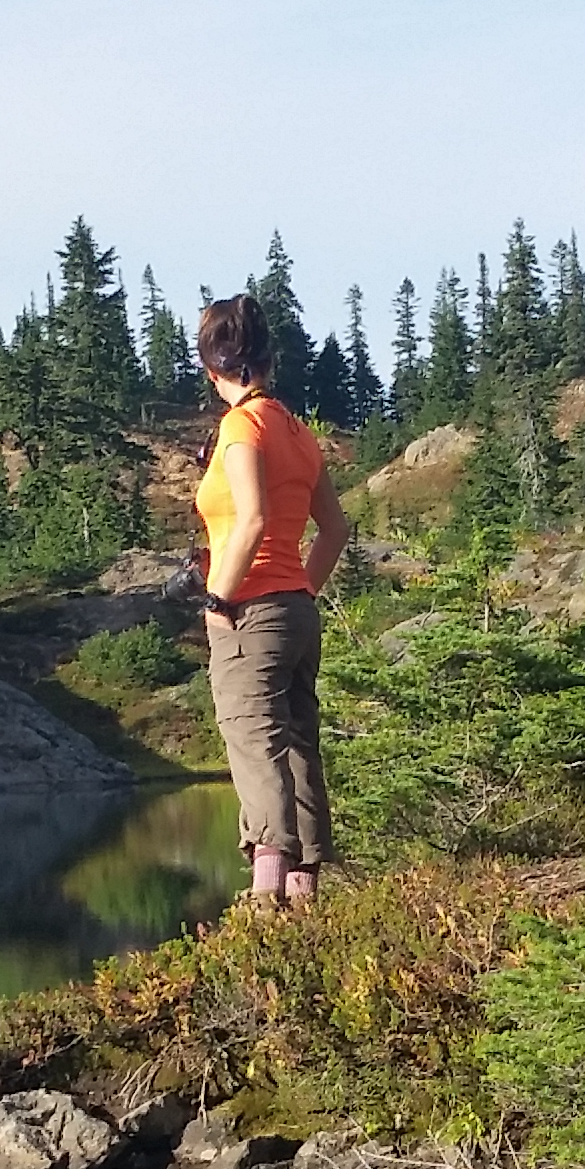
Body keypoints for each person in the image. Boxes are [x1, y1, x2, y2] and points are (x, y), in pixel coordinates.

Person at [190, 294, 346, 909]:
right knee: (300, 741)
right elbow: (336, 530)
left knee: (253, 741)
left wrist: (216, 599)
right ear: (268, 361)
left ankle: (266, 895)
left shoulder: (240, 426)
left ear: (213, 369)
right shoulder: (299, 432)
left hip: (249, 611)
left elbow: (250, 519)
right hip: (297, 609)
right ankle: (306, 889)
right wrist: (302, 588)